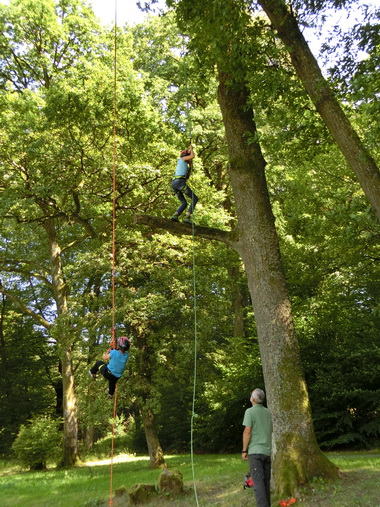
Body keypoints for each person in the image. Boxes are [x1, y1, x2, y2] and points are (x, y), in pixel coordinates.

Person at [242, 388, 273, 507]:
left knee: (258, 483)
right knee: (265, 482)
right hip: (267, 452)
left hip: (255, 453)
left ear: (253, 399)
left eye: (251, 395)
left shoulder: (250, 412)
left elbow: (247, 432)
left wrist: (244, 450)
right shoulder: (267, 412)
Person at [170, 144, 198, 224]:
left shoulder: (183, 164)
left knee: (184, 203)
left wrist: (190, 166)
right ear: (186, 156)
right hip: (179, 183)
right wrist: (191, 149)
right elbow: (192, 156)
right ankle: (187, 217)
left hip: (175, 183)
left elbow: (187, 177)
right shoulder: (182, 159)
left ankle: (175, 215)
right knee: (195, 198)